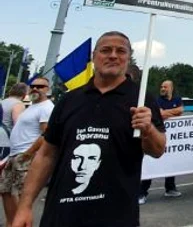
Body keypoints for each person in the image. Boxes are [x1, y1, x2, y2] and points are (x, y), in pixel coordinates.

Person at [11, 31, 166, 227]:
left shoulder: (142, 100)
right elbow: (47, 155)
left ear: (128, 58)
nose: (113, 55)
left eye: (120, 51)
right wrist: (25, 206)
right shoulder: (69, 100)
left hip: (115, 216)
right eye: (105, 50)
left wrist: (148, 129)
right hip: (61, 215)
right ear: (94, 56)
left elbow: (158, 150)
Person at [0, 77, 53, 226]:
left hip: (26, 157)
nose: (36, 88)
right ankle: (12, 223)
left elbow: (46, 135)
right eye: (33, 86)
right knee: (5, 190)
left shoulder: (46, 108)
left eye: (40, 87)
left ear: (47, 89)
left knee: (24, 198)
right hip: (14, 154)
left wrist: (29, 153)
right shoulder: (32, 106)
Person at [139, 80, 183, 203]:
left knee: (170, 163)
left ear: (171, 88)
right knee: (152, 164)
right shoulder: (156, 100)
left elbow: (180, 111)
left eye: (165, 87)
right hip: (157, 136)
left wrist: (166, 113)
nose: (162, 88)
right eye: (161, 86)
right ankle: (142, 193)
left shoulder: (177, 99)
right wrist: (167, 113)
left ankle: (170, 188)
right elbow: (160, 114)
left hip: (172, 139)